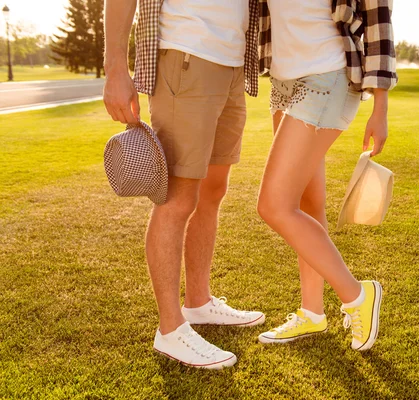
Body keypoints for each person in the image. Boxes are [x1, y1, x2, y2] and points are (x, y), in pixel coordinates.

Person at [103, 0, 264, 369]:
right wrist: (115, 68)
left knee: (212, 189)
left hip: (233, 63)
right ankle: (171, 330)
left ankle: (199, 302)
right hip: (186, 54)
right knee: (177, 198)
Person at [255, 0, 397, 351]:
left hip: (326, 76)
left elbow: (380, 26)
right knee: (307, 202)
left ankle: (356, 294)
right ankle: (312, 313)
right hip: (283, 82)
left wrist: (380, 108)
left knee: (274, 206)